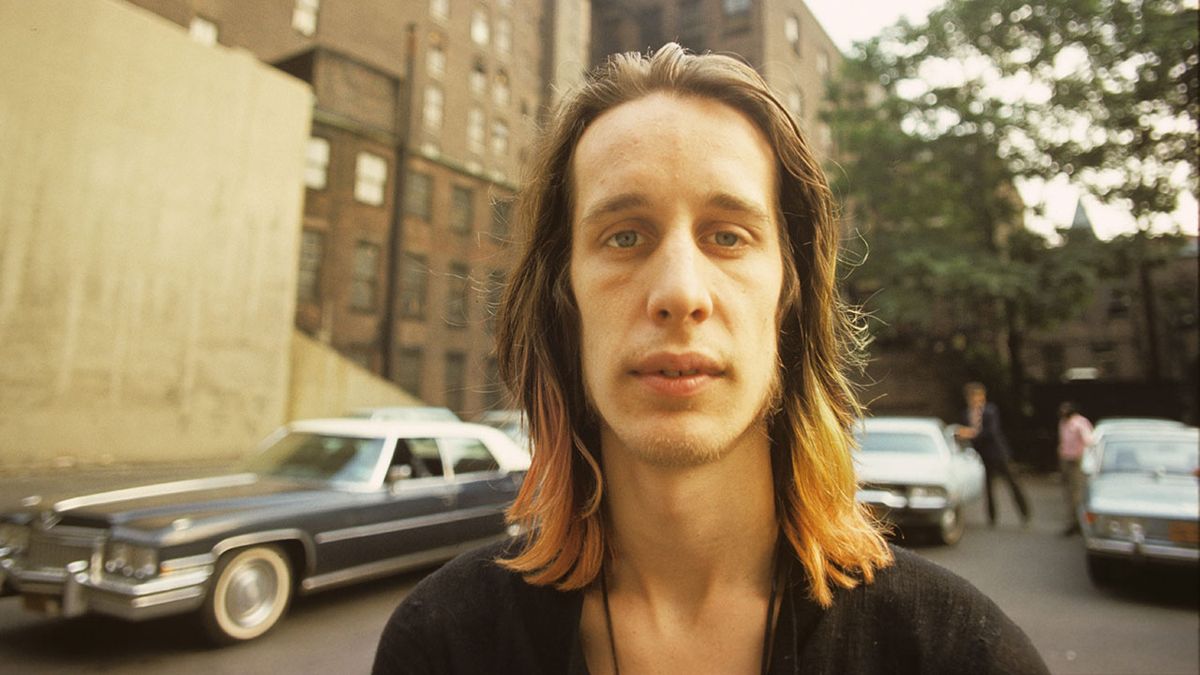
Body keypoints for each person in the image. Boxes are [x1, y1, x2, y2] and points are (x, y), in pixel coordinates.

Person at [373, 44, 1048, 674]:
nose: (680, 293)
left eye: (728, 236)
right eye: (624, 235)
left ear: (788, 293)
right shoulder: (444, 644)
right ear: (564, 296)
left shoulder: (952, 652)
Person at [955, 382, 1032, 528]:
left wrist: (970, 433)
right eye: (971, 397)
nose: (974, 400)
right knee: (988, 486)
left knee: (1012, 482)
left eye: (977, 396)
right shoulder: (966, 414)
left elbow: (990, 431)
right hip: (983, 454)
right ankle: (992, 517)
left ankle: (1025, 513)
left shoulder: (990, 411)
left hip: (998, 453)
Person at [1056, 401, 1093, 536]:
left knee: (1076, 493)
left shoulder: (1080, 422)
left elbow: (1089, 440)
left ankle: (1077, 523)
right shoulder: (1063, 423)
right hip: (1066, 458)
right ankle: (1072, 521)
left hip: (1076, 460)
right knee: (1068, 491)